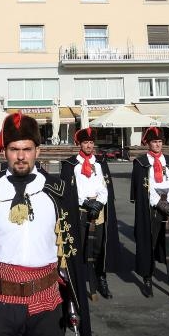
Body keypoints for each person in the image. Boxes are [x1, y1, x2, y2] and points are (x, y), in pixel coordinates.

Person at [0, 113, 92, 336]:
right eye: (14, 149)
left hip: (47, 304)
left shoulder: (58, 191)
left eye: (27, 149)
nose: (20, 156)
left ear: (37, 151)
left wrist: (73, 301)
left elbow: (69, 254)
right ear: (5, 151)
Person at [130, 126, 169, 298]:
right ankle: (147, 279)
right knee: (149, 243)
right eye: (154, 142)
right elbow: (143, 189)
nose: (157, 145)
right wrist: (158, 203)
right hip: (151, 209)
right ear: (148, 143)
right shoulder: (141, 163)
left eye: (159, 141)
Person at [60, 127, 119, 300]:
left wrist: (99, 202)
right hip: (80, 211)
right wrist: (85, 202)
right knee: (80, 247)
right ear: (80, 144)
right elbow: (68, 191)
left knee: (99, 247)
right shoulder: (71, 164)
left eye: (91, 142)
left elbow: (104, 186)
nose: (89, 146)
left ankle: (101, 278)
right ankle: (78, 281)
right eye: (85, 142)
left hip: (98, 209)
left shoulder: (99, 163)